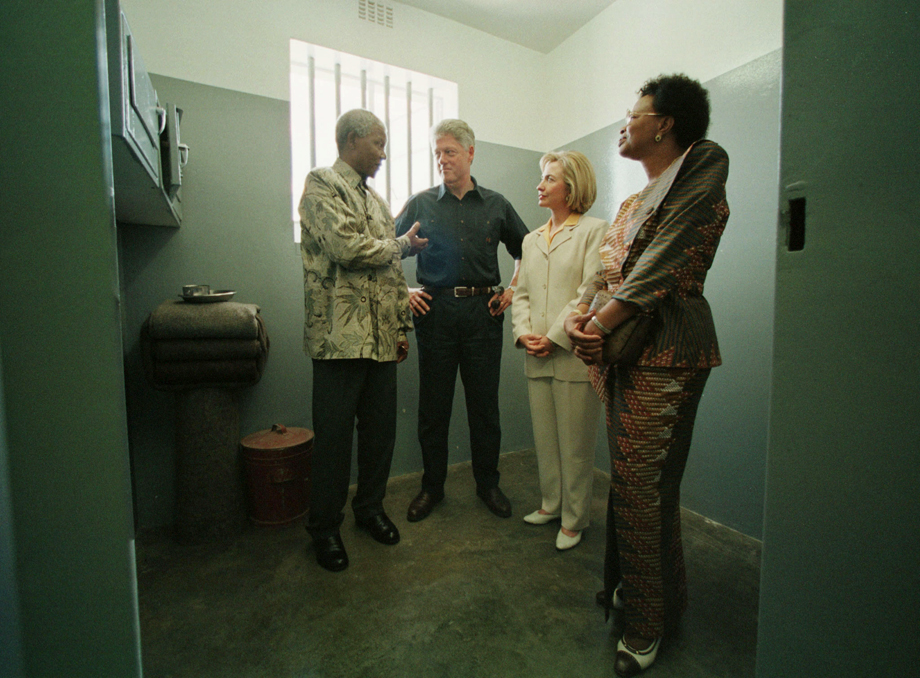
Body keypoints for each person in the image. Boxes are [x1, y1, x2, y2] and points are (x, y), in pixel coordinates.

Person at [564, 75, 730, 676]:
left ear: (665, 123)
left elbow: (662, 264)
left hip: (668, 353)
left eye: (634, 113)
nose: (625, 122)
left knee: (639, 491)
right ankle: (665, 599)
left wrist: (601, 322)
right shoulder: (634, 203)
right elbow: (610, 275)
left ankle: (645, 626)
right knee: (645, 492)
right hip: (622, 356)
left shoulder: (703, 169)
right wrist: (586, 321)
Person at [299, 109, 428, 572]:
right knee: (333, 441)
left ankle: (369, 509)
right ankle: (325, 527)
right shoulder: (320, 184)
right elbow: (348, 249)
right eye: (378, 142)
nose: (384, 152)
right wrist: (401, 245)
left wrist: (399, 331)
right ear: (352, 141)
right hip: (338, 340)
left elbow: (389, 274)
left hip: (379, 342)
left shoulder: (374, 200)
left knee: (379, 435)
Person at [395, 119, 529, 522]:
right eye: (437, 153)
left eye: (449, 151)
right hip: (434, 315)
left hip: (482, 315)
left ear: (470, 153)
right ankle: (431, 488)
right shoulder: (420, 204)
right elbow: (382, 251)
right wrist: (404, 293)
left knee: (484, 407)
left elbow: (527, 250)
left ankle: (488, 485)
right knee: (433, 408)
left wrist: (513, 290)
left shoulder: (497, 204)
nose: (442, 160)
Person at [511, 151, 607, 551]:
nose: (540, 185)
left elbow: (591, 290)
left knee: (575, 444)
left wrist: (552, 337)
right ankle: (552, 504)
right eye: (542, 178)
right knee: (546, 439)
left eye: (549, 179)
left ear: (572, 186)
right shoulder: (530, 239)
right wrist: (523, 335)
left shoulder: (594, 231)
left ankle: (574, 518)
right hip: (536, 353)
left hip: (571, 353)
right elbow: (522, 294)